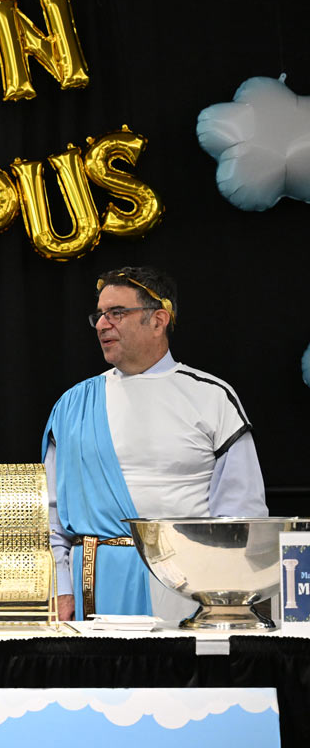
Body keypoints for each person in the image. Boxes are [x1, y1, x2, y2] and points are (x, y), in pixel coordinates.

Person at [42, 266, 267, 622]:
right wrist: (62, 588)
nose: (102, 325)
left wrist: (227, 600)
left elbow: (242, 515)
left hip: (187, 584)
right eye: (99, 315)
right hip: (93, 587)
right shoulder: (73, 405)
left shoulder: (211, 397)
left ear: (158, 319)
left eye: (116, 313)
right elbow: (51, 513)